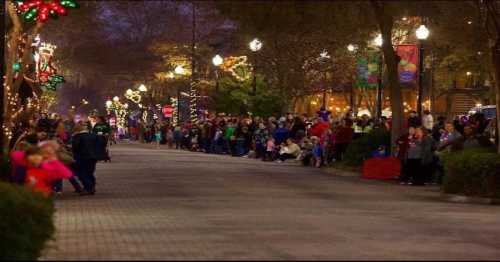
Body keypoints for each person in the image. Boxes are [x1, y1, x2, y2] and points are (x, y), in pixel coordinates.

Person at [72, 123, 99, 195]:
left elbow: (75, 147)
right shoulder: (93, 135)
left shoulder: (77, 136)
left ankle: (88, 188)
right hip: (93, 157)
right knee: (90, 172)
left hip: (82, 157)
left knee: (82, 173)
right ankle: (92, 187)